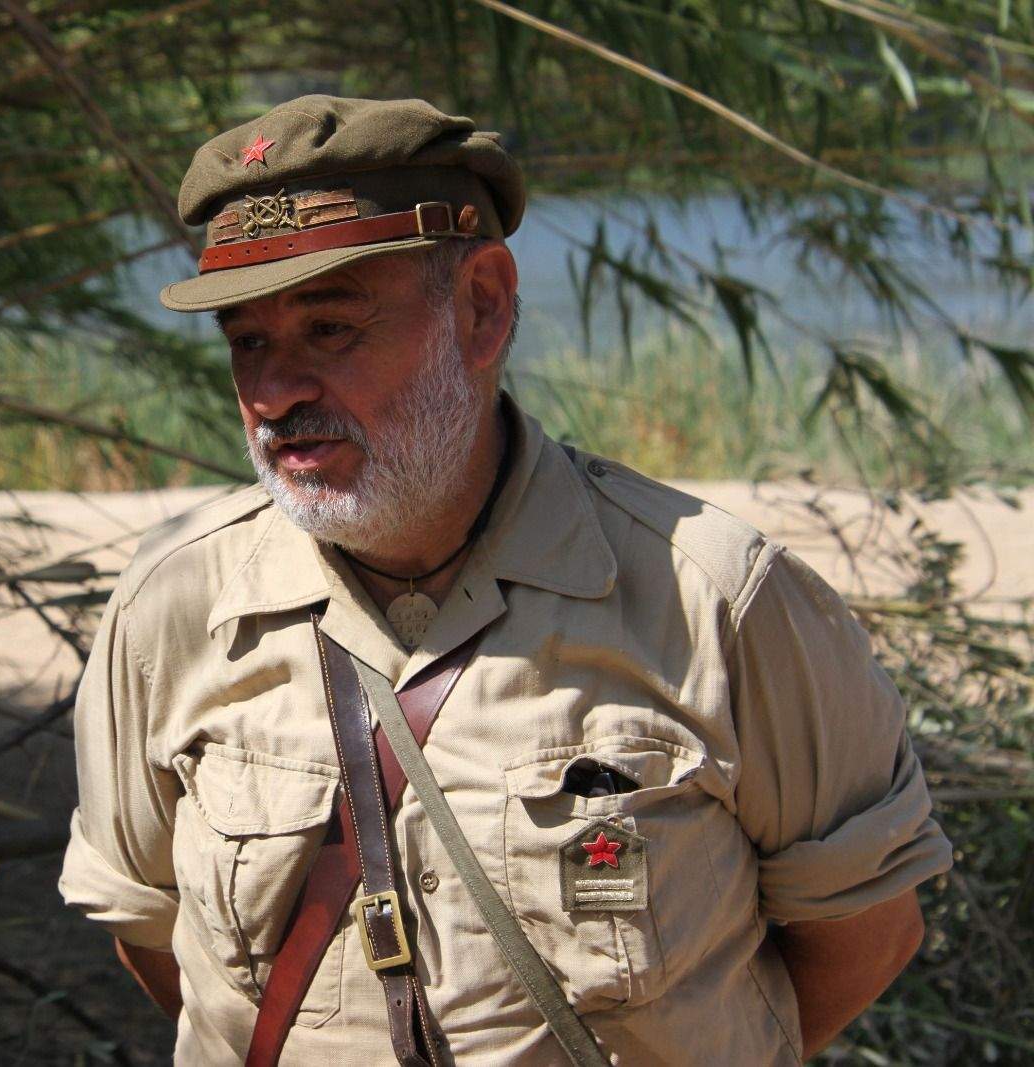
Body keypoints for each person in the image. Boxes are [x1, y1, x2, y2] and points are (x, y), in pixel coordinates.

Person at [57, 95, 952, 1065]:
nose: (275, 394)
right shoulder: (174, 609)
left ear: (481, 306)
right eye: (247, 343)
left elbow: (862, 936)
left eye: (330, 328)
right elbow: (154, 936)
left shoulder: (715, 598)